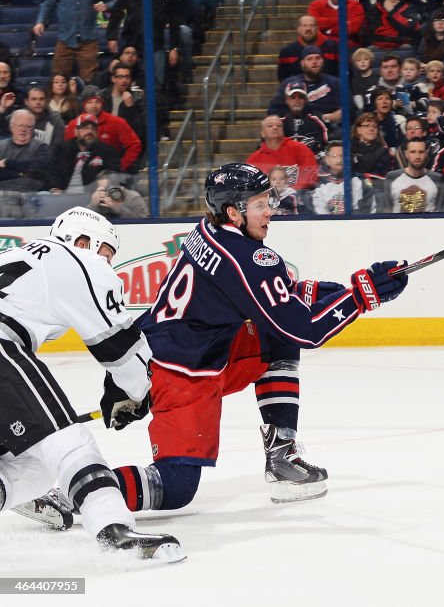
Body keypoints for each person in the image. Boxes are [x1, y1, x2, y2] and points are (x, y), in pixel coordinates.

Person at [108, 163, 409, 512]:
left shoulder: (208, 229)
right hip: (184, 374)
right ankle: (80, 490)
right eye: (260, 205)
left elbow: (254, 295)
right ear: (234, 212)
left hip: (166, 348)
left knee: (274, 335)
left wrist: (319, 291)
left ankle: (281, 452)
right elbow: (304, 329)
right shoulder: (250, 257)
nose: (270, 212)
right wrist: (362, 295)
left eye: (269, 200)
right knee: (176, 486)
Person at [0, 208, 183, 561]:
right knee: (68, 442)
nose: (107, 264)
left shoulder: (16, 254)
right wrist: (132, 393)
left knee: (33, 468)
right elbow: (123, 350)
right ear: (83, 241)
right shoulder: (81, 261)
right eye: (106, 253)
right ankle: (113, 529)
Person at [34, 0, 113, 84]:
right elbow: (48, 4)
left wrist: (106, 5)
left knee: (90, 80)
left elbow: (112, 2)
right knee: (59, 79)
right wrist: (40, 21)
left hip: (88, 40)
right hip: (65, 39)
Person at [46, 113, 120, 195]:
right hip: (63, 195)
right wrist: (55, 188)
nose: (90, 131)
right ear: (76, 131)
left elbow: (113, 174)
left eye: (93, 128)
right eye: (85, 128)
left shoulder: (107, 151)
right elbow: (52, 170)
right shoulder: (62, 148)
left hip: (92, 197)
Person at [247, 115, 320, 190]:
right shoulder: (254, 159)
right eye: (270, 126)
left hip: (298, 196)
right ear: (262, 133)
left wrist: (292, 191)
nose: (275, 127)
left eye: (279, 126)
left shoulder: (300, 148)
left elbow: (312, 174)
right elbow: (249, 185)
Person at [382, 138, 443, 212]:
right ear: (406, 154)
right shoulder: (392, 177)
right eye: (413, 152)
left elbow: (440, 211)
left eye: (421, 152)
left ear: (426, 154)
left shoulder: (437, 178)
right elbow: (386, 209)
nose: (417, 156)